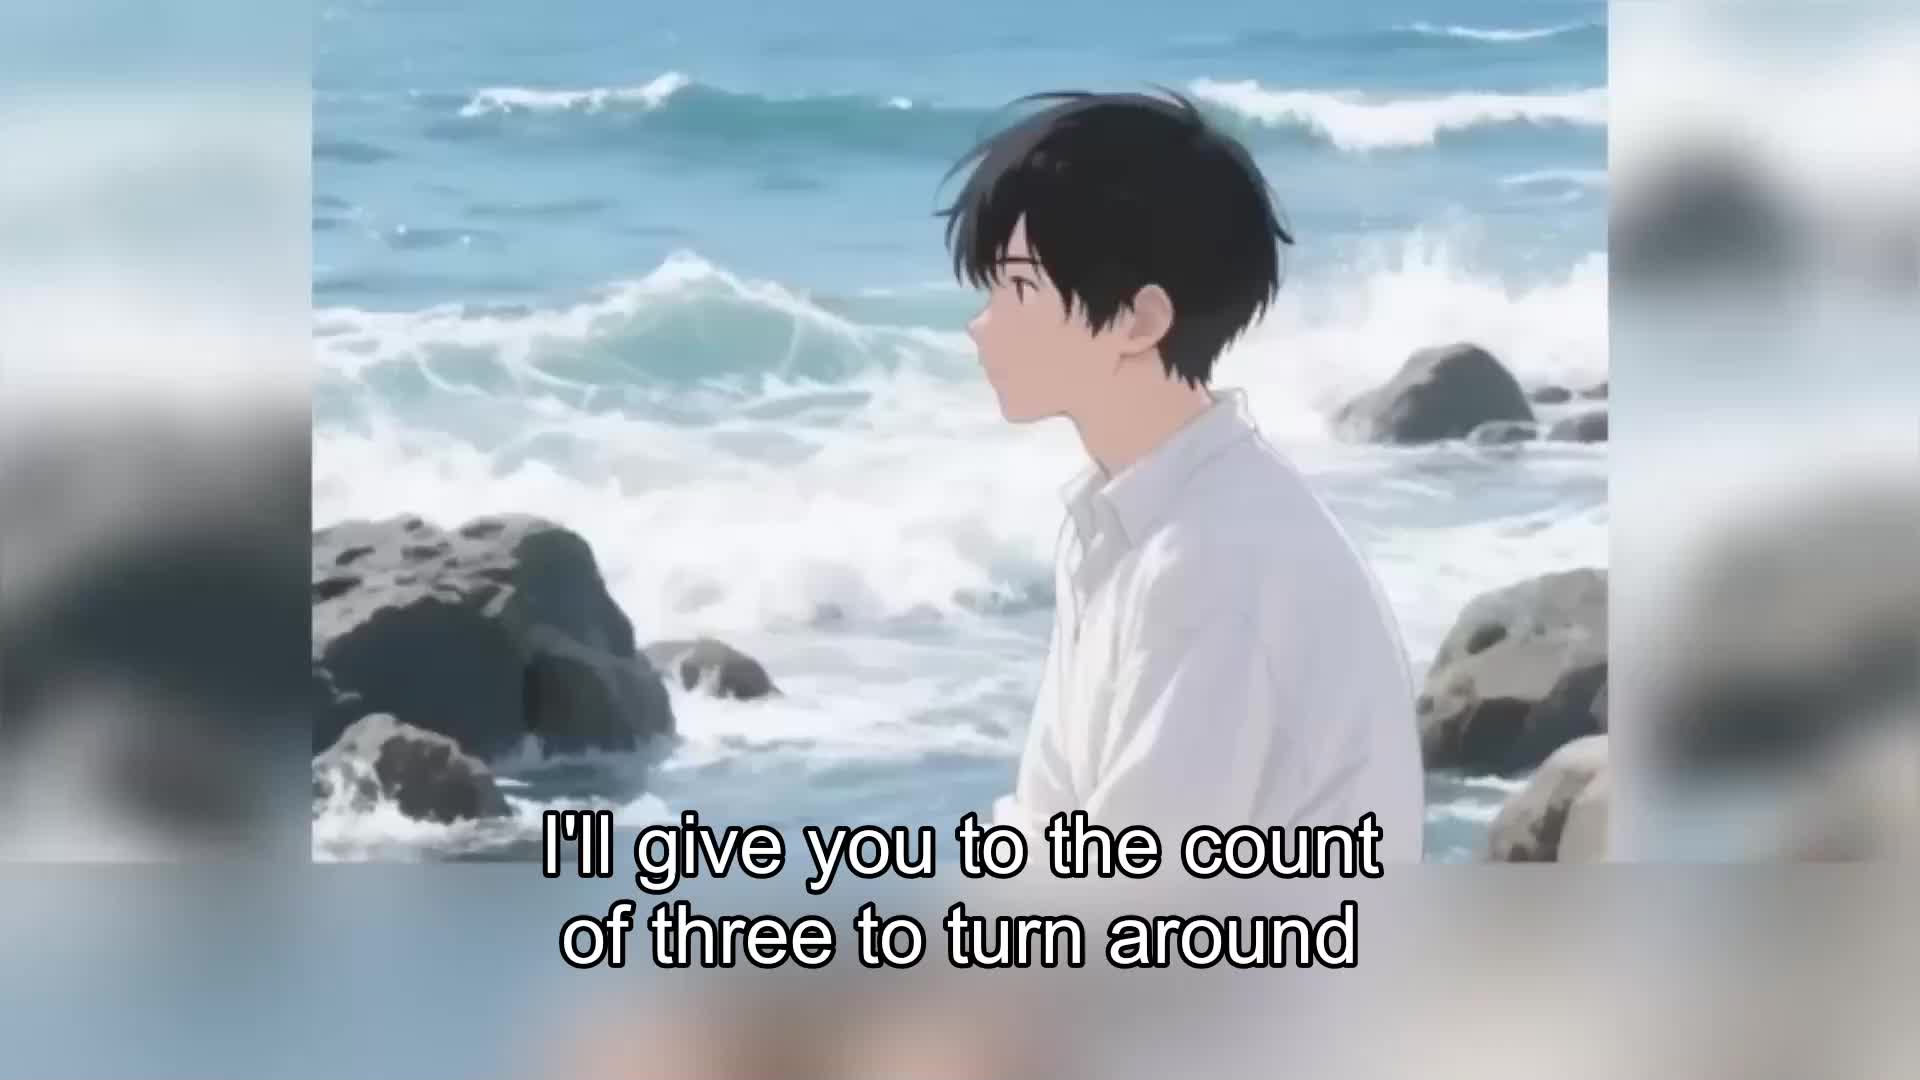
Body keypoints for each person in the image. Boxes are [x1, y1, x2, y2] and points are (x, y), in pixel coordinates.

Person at [939, 91, 1423, 860]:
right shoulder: (1119, 523)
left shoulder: (1211, 559)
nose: (981, 323)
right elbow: (1045, 831)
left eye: (1020, 288)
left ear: (1141, 321)